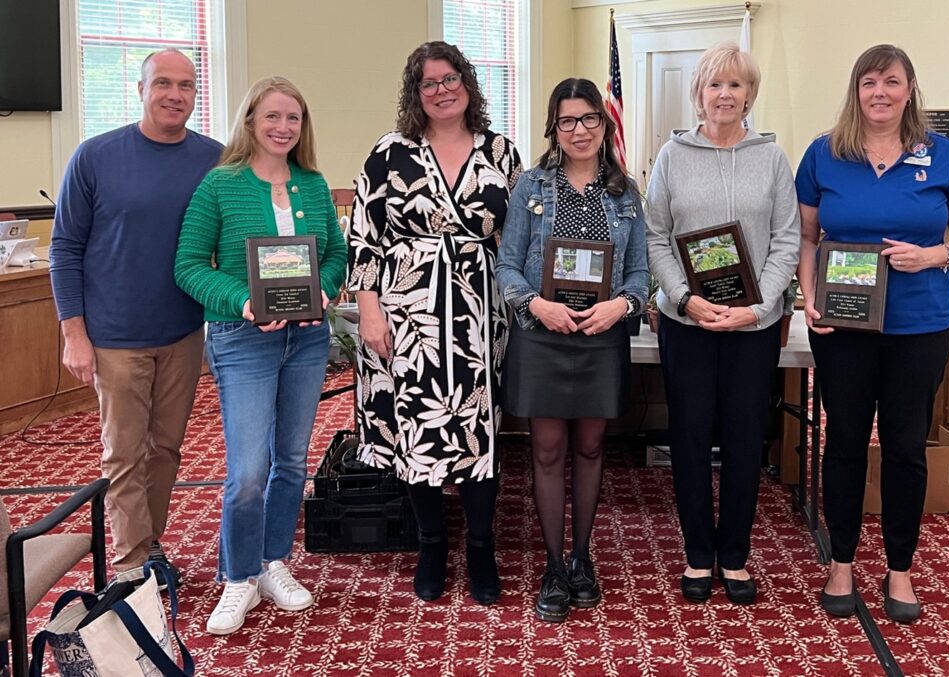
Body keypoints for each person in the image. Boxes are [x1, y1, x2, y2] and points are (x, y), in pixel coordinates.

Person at [795, 44, 949, 624]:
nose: (880, 92)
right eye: (870, 82)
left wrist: (931, 256)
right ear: (856, 90)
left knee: (906, 446)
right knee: (845, 442)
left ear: (909, 89)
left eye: (892, 82)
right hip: (844, 327)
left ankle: (899, 570)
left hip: (919, 328)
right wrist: (809, 297)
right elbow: (807, 239)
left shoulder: (945, 156)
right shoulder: (824, 154)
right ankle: (843, 565)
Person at [347, 42, 521, 605]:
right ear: (414, 94)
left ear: (467, 84)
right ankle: (432, 544)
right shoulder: (390, 152)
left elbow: (520, 239)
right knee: (416, 427)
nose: (442, 90)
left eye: (450, 79)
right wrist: (368, 307)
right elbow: (364, 236)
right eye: (429, 83)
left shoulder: (501, 152)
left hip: (479, 310)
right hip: (406, 310)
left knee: (478, 431)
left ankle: (480, 548)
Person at [174, 76, 347, 635]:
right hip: (242, 338)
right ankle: (239, 576)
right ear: (250, 121)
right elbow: (189, 266)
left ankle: (274, 563)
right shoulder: (219, 186)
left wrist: (324, 288)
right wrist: (244, 301)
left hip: (306, 340)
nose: (283, 128)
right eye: (272, 116)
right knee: (248, 471)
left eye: (293, 118)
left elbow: (336, 255)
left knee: (292, 462)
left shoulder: (313, 185)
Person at [49, 49, 223, 586]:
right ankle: (128, 564)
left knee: (166, 448)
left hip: (183, 331)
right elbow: (64, 248)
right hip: (114, 336)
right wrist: (73, 334)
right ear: (140, 88)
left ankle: (150, 545)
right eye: (164, 83)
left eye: (187, 86)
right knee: (123, 453)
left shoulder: (215, 159)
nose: (175, 95)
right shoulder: (95, 155)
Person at [645, 41, 800, 606]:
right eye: (715, 84)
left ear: (750, 94)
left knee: (743, 440)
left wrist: (759, 307)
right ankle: (697, 553)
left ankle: (734, 556)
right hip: (686, 322)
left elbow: (787, 239)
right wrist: (684, 299)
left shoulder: (772, 158)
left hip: (753, 325)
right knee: (688, 439)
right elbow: (655, 235)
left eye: (736, 85)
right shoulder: (672, 157)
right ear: (699, 94)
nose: (725, 94)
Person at [495, 78, 648, 623]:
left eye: (589, 120)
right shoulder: (530, 186)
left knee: (589, 448)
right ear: (553, 128)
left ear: (604, 126)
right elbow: (506, 265)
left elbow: (640, 274)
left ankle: (583, 560)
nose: (579, 130)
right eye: (567, 121)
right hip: (543, 334)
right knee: (547, 451)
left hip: (600, 336)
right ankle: (554, 566)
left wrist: (622, 306)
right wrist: (535, 305)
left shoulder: (625, 193)